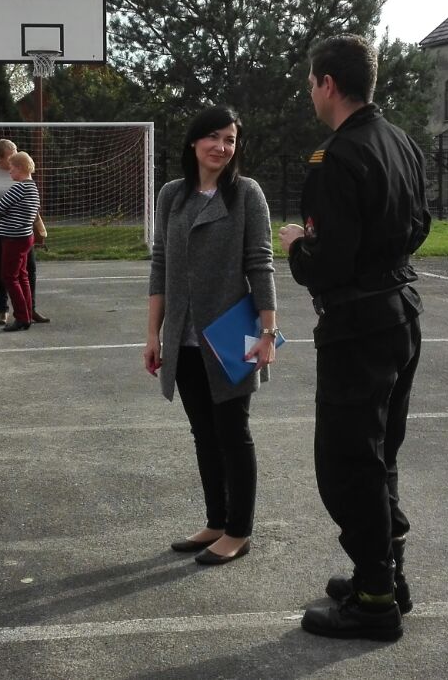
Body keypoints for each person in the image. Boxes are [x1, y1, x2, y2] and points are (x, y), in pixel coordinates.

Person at [278, 33, 431, 642]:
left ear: (327, 83)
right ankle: (387, 577)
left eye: (310, 83)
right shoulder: (401, 142)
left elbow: (328, 264)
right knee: (379, 454)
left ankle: (374, 602)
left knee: (347, 464)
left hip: (359, 324)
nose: (310, 93)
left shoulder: (337, 156)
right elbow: (420, 226)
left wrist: (298, 247)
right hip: (401, 313)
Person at [144, 105, 277, 566]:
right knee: (204, 434)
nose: (222, 147)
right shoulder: (172, 195)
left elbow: (260, 263)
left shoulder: (246, 194)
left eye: (230, 140)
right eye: (213, 137)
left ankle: (239, 531)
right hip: (183, 336)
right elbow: (160, 265)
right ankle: (216, 521)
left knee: (233, 433)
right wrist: (153, 333)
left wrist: (268, 331)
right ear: (194, 141)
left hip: (231, 334)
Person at [0, 139, 46, 325]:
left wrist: (27, 217)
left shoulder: (22, 176)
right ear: (0, 158)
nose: (15, 157)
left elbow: (23, 203)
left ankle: (28, 310)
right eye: (11, 155)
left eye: (16, 152)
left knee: (27, 269)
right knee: (1, 269)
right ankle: (3, 310)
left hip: (20, 230)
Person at [0, 152, 40, 332]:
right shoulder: (33, 187)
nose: (10, 171)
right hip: (26, 236)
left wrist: (7, 213)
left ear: (20, 168)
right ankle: (27, 312)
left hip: (13, 237)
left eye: (11, 168)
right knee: (22, 276)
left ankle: (21, 317)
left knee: (9, 277)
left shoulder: (18, 188)